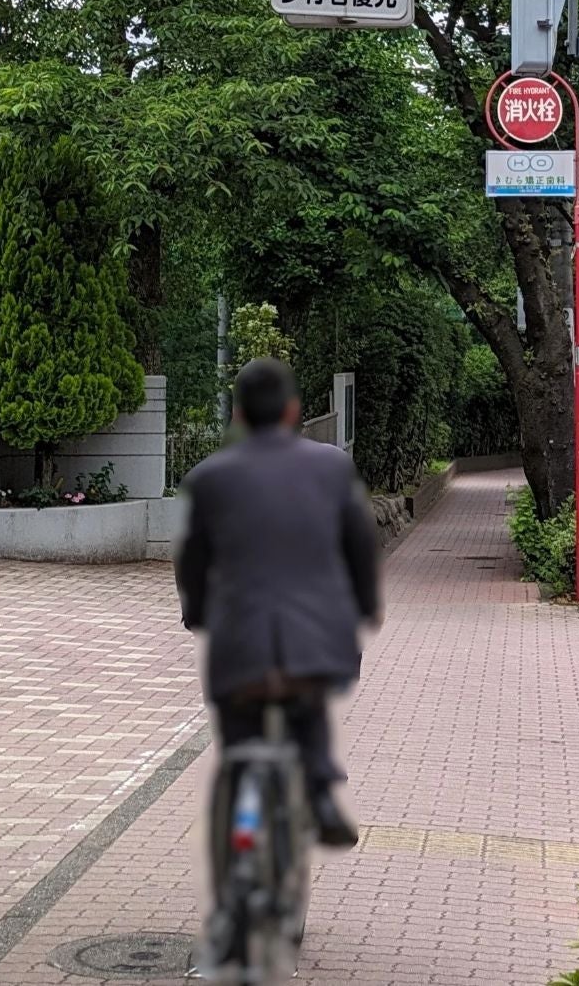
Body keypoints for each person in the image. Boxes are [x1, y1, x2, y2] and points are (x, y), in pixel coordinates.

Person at [175, 358, 381, 848]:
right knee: (306, 707)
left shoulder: (209, 477)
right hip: (318, 637)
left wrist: (198, 613)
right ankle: (324, 795)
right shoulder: (333, 467)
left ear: (239, 414)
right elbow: (362, 547)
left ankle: (244, 827)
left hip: (239, 639)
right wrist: (364, 608)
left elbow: (190, 560)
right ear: (292, 411)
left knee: (242, 725)